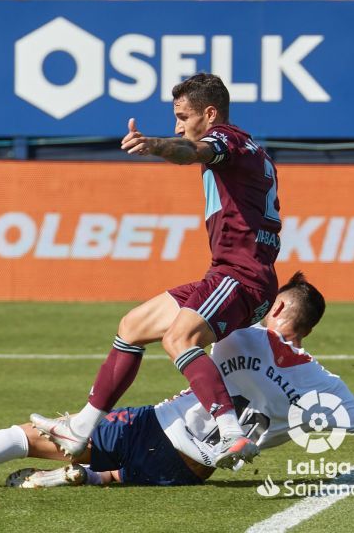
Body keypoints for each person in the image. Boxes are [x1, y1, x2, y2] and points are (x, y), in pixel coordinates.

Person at [0, 273, 354, 489]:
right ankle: (83, 479)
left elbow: (164, 330)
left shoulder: (238, 331)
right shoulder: (325, 385)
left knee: (29, 434)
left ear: (281, 304)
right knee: (104, 469)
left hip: (156, 428)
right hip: (189, 472)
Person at [30, 73, 282, 469]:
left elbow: (192, 151)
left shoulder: (227, 141)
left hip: (240, 275)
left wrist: (155, 146)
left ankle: (232, 433)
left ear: (210, 113)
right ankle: (80, 429)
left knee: (180, 340)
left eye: (183, 116)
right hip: (232, 273)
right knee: (132, 326)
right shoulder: (252, 148)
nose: (178, 125)